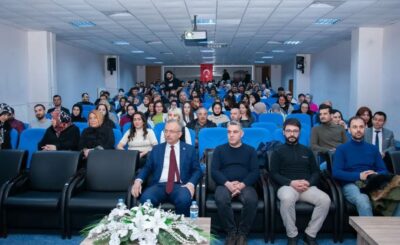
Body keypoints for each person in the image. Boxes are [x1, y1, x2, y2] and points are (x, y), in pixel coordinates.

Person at [270, 119, 330, 245]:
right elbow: (273, 173)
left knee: (325, 200)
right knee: (286, 199)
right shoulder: (277, 151)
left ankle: (310, 234)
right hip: (287, 186)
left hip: (306, 186)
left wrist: (308, 182)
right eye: (289, 131)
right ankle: (292, 235)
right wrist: (291, 183)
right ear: (283, 132)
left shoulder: (307, 150)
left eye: (295, 131)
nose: (292, 134)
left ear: (300, 132)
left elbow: (316, 172)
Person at [131, 119, 203, 216]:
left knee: (184, 200)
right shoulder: (156, 149)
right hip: (158, 185)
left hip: (180, 186)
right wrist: (138, 180)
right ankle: (150, 230)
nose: (168, 134)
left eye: (172, 131)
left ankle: (181, 229)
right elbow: (147, 168)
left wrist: (191, 184)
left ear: (179, 134)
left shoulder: (190, 150)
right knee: (145, 200)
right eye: (166, 131)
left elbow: (197, 171)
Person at [332, 116, 400, 216]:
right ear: (349, 130)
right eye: (354, 127)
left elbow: (383, 170)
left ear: (365, 128)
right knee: (363, 201)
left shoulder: (373, 149)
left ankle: (394, 231)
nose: (358, 130)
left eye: (361, 127)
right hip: (351, 184)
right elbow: (336, 172)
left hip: (373, 181)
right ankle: (368, 232)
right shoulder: (342, 149)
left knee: (397, 196)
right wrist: (359, 176)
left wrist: (376, 173)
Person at [211, 121, 259, 244]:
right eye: (229, 132)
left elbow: (255, 172)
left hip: (245, 185)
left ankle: (242, 233)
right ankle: (231, 232)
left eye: (235, 132)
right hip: (224, 184)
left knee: (252, 199)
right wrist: (229, 184)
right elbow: (214, 171)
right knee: (221, 198)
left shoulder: (250, 150)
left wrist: (241, 185)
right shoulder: (219, 150)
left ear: (241, 134)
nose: (231, 135)